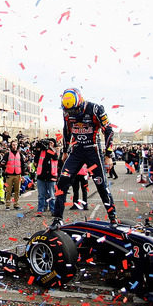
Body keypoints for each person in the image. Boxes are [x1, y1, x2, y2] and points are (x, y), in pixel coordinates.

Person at [49, 88, 117, 227]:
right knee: (62, 182)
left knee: (101, 184)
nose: (71, 113)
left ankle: (113, 217)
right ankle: (57, 218)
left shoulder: (95, 109)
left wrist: (109, 154)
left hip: (93, 150)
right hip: (77, 150)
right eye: (69, 111)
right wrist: (65, 151)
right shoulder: (66, 112)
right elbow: (66, 130)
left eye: (74, 110)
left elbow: (108, 130)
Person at [33, 140, 59, 216]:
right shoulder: (41, 152)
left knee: (51, 195)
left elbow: (55, 157)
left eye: (51, 143)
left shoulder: (53, 151)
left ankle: (53, 210)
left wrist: (49, 148)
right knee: (41, 195)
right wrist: (39, 147)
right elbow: (36, 160)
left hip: (51, 176)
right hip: (41, 176)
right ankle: (40, 210)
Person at [0, 139, 26, 210]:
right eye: (13, 145)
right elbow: (2, 163)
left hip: (18, 175)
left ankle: (16, 204)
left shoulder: (20, 155)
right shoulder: (7, 154)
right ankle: (7, 204)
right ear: (11, 145)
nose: (14, 146)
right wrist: (4, 167)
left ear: (17, 145)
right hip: (9, 175)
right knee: (8, 190)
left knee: (17, 190)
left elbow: (23, 165)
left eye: (15, 145)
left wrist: (23, 175)